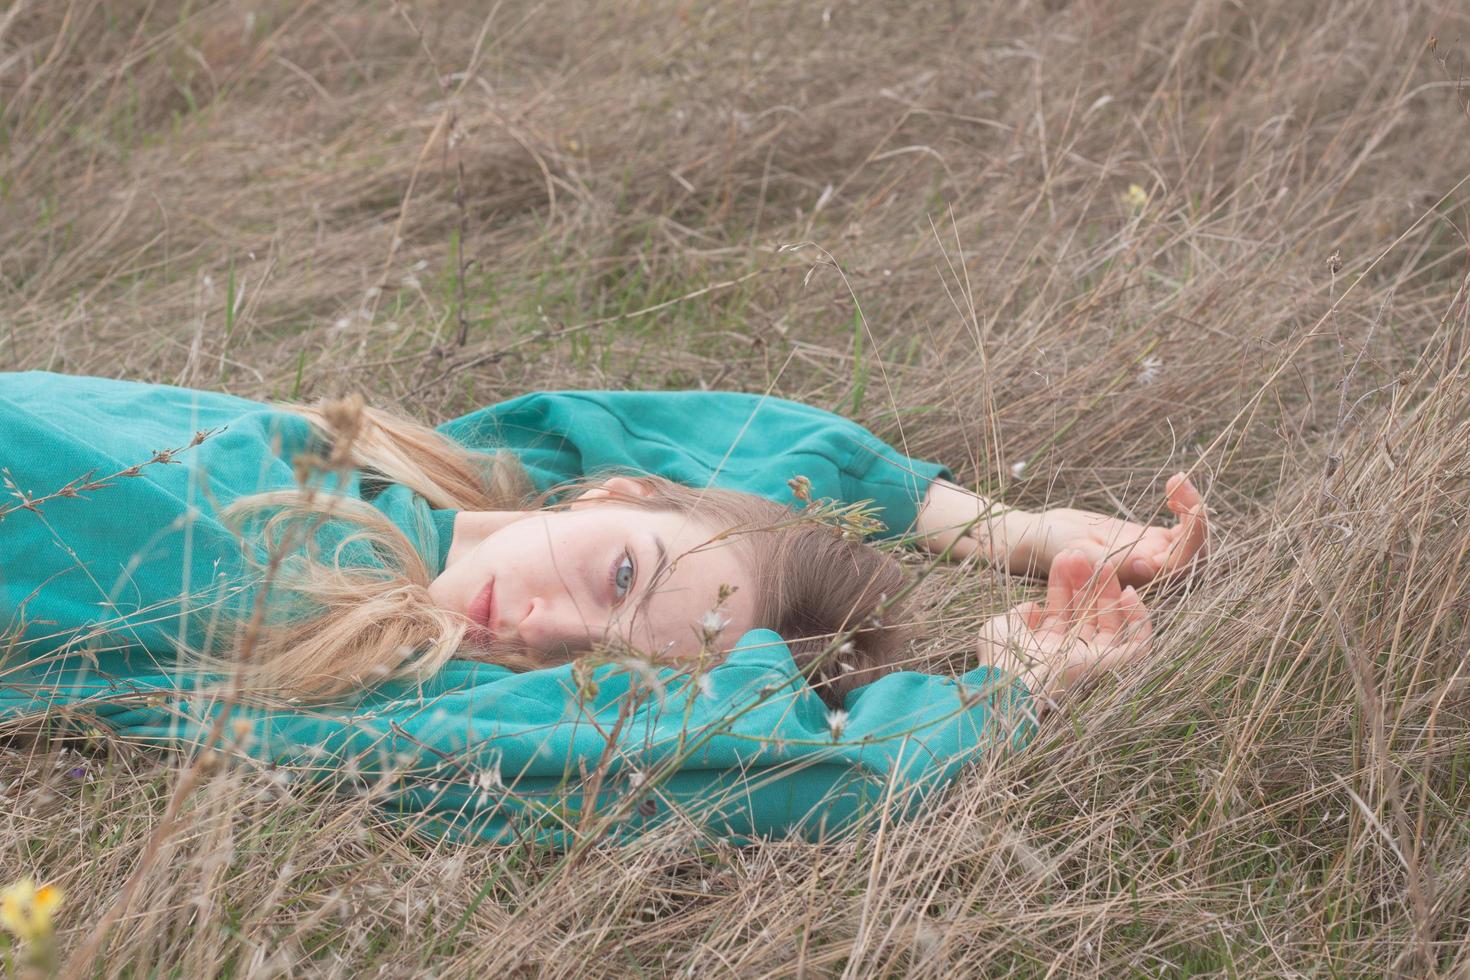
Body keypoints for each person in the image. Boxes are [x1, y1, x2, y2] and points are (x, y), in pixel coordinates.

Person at [0, 371, 1207, 842]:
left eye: (610, 667)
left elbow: (782, 768)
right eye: (620, 572)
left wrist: (1017, 684)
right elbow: (740, 441)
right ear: (617, 490)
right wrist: (1009, 531)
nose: (540, 627)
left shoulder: (372, 668)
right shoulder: (449, 468)